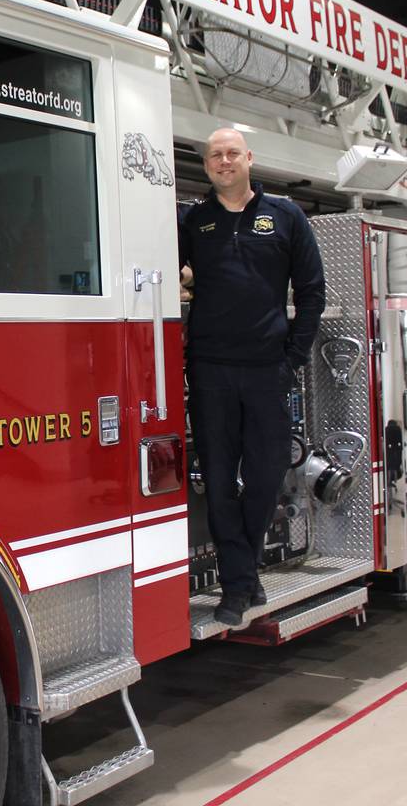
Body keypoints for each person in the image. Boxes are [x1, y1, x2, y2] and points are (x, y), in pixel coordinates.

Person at [179, 128, 325, 627]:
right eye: (214, 154)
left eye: (231, 153)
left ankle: (244, 573)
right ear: (207, 165)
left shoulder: (286, 217)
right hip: (211, 370)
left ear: (249, 159)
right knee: (219, 480)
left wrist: (293, 359)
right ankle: (240, 585)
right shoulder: (193, 222)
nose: (223, 161)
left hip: (268, 371)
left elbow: (312, 293)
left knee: (264, 477)